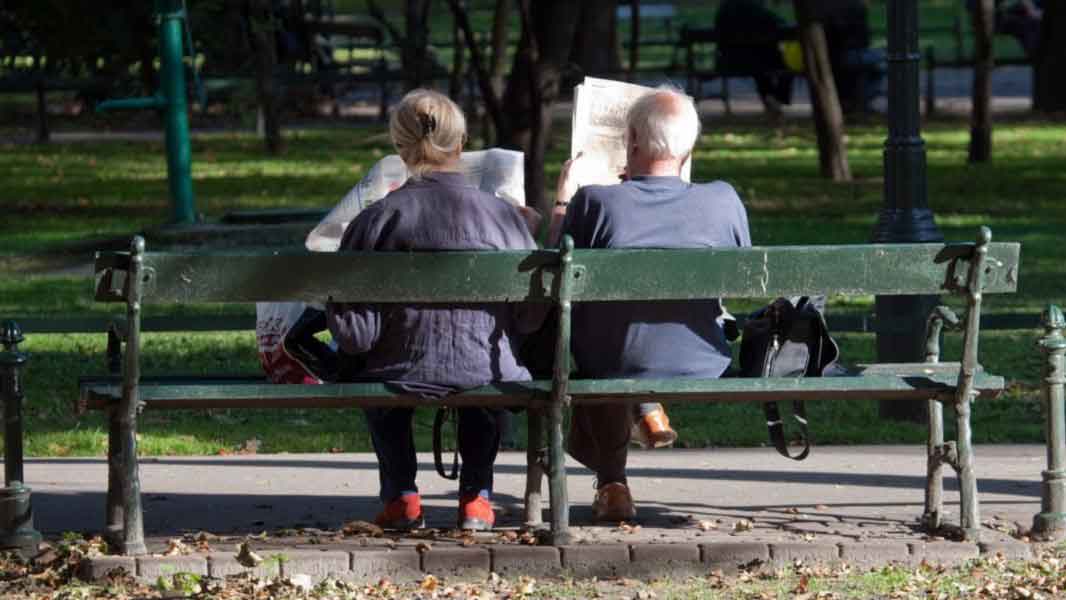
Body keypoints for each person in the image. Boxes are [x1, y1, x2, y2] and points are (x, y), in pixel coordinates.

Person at [328, 88, 544, 531]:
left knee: (371, 374)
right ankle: (477, 499)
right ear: (461, 145)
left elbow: (356, 337)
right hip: (486, 366)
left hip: (397, 368)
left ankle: (401, 496)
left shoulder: (377, 219)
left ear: (399, 149)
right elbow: (528, 318)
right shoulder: (505, 219)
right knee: (484, 372)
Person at [549, 88, 751, 522]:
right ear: (688, 146)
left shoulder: (596, 202)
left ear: (634, 141)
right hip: (700, 358)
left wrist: (563, 201)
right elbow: (740, 277)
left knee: (606, 349)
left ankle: (613, 482)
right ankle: (644, 413)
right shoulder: (722, 198)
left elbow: (554, 279)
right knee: (623, 341)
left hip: (615, 358)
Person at [714, 0, 794, 117]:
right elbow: (779, 23)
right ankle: (777, 98)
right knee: (780, 67)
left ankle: (770, 98)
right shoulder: (756, 8)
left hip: (730, 61)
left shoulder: (725, 8)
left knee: (759, 69)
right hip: (760, 59)